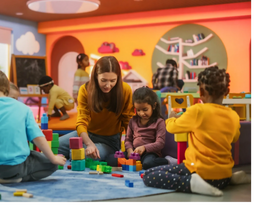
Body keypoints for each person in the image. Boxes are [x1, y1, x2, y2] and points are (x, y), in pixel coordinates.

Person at [143, 66, 253, 196]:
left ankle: (190, 183)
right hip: (223, 176)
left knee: (149, 175)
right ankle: (231, 178)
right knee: (217, 173)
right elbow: (234, 137)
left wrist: (170, 119)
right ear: (226, 92)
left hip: (199, 173)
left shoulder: (197, 111)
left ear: (200, 92)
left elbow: (172, 128)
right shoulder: (233, 115)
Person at [57, 56, 135, 166]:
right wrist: (89, 143)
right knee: (52, 147)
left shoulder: (125, 90)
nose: (108, 85)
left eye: (113, 81)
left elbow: (128, 121)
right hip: (86, 135)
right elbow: (81, 121)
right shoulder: (85, 90)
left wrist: (130, 147)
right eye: (103, 80)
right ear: (95, 76)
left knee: (82, 155)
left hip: (109, 141)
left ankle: (75, 154)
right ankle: (76, 152)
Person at [124, 87, 169, 169]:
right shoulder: (133, 121)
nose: (141, 113)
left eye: (145, 109)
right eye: (138, 110)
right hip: (134, 153)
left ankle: (166, 161)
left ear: (154, 106)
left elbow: (160, 143)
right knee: (112, 160)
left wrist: (144, 148)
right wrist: (129, 150)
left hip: (150, 153)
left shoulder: (159, 122)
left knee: (148, 164)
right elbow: (128, 139)